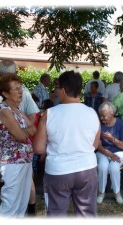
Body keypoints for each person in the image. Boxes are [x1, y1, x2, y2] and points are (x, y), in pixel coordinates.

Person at [33, 70, 101, 217]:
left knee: (56, 213)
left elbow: (38, 148)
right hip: (87, 169)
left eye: (57, 88)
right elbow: (95, 145)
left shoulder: (49, 114)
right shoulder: (92, 113)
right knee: (87, 214)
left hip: (58, 170)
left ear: (63, 90)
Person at [0, 59, 39, 214]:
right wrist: (24, 132)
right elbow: (23, 135)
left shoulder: (16, 109)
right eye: (15, 89)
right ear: (5, 93)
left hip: (24, 160)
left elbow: (31, 129)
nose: (20, 91)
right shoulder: (4, 110)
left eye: (20, 88)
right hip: (12, 162)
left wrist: (24, 132)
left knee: (21, 203)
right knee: (11, 203)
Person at [96, 102, 123, 204]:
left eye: (104, 116)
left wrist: (112, 139)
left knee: (113, 168)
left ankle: (117, 193)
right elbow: (98, 145)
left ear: (112, 113)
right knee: (102, 166)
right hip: (103, 152)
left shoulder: (120, 123)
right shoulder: (99, 125)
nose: (101, 118)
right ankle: (101, 193)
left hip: (120, 152)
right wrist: (110, 154)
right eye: (100, 115)